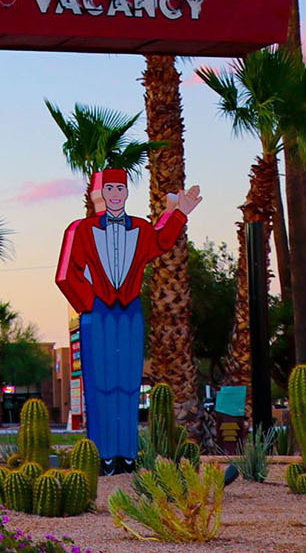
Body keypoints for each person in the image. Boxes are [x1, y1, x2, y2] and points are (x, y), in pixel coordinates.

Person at [54, 169, 201, 473]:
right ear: (99, 193)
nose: (116, 195)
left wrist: (179, 214)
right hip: (98, 314)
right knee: (100, 385)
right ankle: (103, 455)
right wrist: (90, 303)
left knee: (129, 385)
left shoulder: (141, 229)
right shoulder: (80, 230)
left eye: (120, 188)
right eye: (110, 189)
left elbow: (162, 240)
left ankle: (128, 455)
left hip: (130, 312)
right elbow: (67, 274)